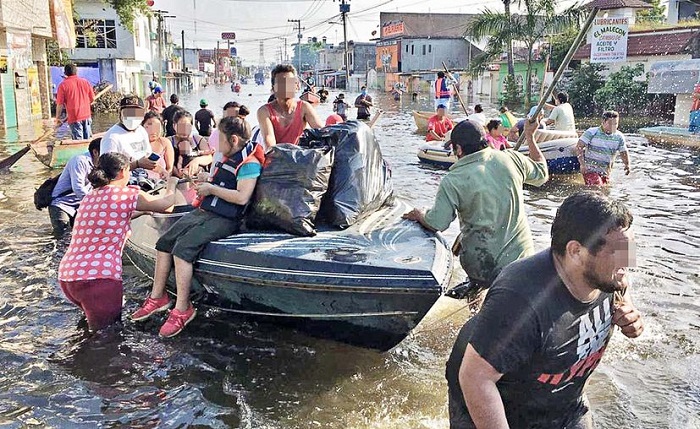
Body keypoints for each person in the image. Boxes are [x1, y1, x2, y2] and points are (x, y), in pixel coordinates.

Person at [446, 191, 644, 429]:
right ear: (576, 252)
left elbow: (622, 285)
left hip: (565, 402)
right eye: (619, 251)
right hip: (494, 402)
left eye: (630, 248)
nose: (629, 262)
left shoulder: (610, 275)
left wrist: (630, 314)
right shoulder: (520, 300)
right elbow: (475, 378)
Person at [130, 117, 265, 337]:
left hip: (226, 218)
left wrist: (211, 189)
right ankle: (158, 296)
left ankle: (183, 308)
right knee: (164, 242)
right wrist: (205, 179)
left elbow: (242, 197)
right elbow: (218, 181)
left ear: (233, 139)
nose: (216, 143)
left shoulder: (249, 163)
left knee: (183, 249)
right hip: (206, 211)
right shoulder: (227, 156)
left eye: (220, 139)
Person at [402, 119, 548, 295]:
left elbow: (437, 223)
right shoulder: (511, 158)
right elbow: (542, 173)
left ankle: (474, 301)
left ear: (459, 149)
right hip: (521, 262)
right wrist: (530, 137)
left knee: (478, 290)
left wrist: (420, 214)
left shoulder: (453, 180)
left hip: (482, 268)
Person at [57, 152, 180, 331]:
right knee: (108, 337)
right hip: (98, 279)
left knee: (90, 331)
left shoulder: (91, 196)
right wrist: (172, 185)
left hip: (69, 277)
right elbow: (166, 206)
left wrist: (143, 211)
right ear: (123, 172)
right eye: (129, 171)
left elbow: (111, 217)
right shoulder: (126, 195)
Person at [257, 64, 323, 148]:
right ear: (273, 88)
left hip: (298, 156)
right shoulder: (264, 111)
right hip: (276, 157)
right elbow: (269, 140)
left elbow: (321, 131)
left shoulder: (304, 107)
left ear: (297, 86)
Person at [49, 138, 101, 237]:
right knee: (62, 237)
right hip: (62, 204)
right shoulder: (79, 161)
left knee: (79, 236)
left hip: (79, 205)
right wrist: (95, 204)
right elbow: (78, 187)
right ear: (95, 152)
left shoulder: (99, 164)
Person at [100, 96, 157, 174]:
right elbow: (108, 170)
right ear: (120, 114)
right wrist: (137, 164)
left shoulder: (141, 130)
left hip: (145, 177)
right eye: (128, 113)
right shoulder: (112, 138)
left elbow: (147, 154)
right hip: (124, 182)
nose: (132, 117)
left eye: (137, 113)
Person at [576, 110, 631, 186]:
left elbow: (623, 152)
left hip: (605, 171)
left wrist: (627, 165)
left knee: (605, 191)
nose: (613, 126)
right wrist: (582, 164)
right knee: (596, 187)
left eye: (615, 124)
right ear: (603, 122)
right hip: (590, 170)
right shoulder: (592, 132)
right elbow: (579, 146)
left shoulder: (619, 137)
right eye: (610, 124)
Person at [55, 64, 95, 140]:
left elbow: (59, 104)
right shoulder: (85, 82)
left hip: (74, 117)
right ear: (76, 72)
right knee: (88, 140)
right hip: (86, 115)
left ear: (65, 73)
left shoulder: (63, 85)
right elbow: (92, 99)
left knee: (78, 141)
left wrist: (57, 118)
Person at [171, 110, 213, 178]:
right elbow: (165, 162)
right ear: (174, 126)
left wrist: (197, 161)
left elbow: (209, 157)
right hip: (177, 176)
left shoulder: (198, 139)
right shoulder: (169, 141)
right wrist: (177, 172)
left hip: (198, 175)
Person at [141, 111, 174, 179]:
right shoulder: (135, 142)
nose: (153, 130)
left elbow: (170, 168)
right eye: (149, 126)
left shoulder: (165, 143)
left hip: (160, 183)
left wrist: (165, 177)